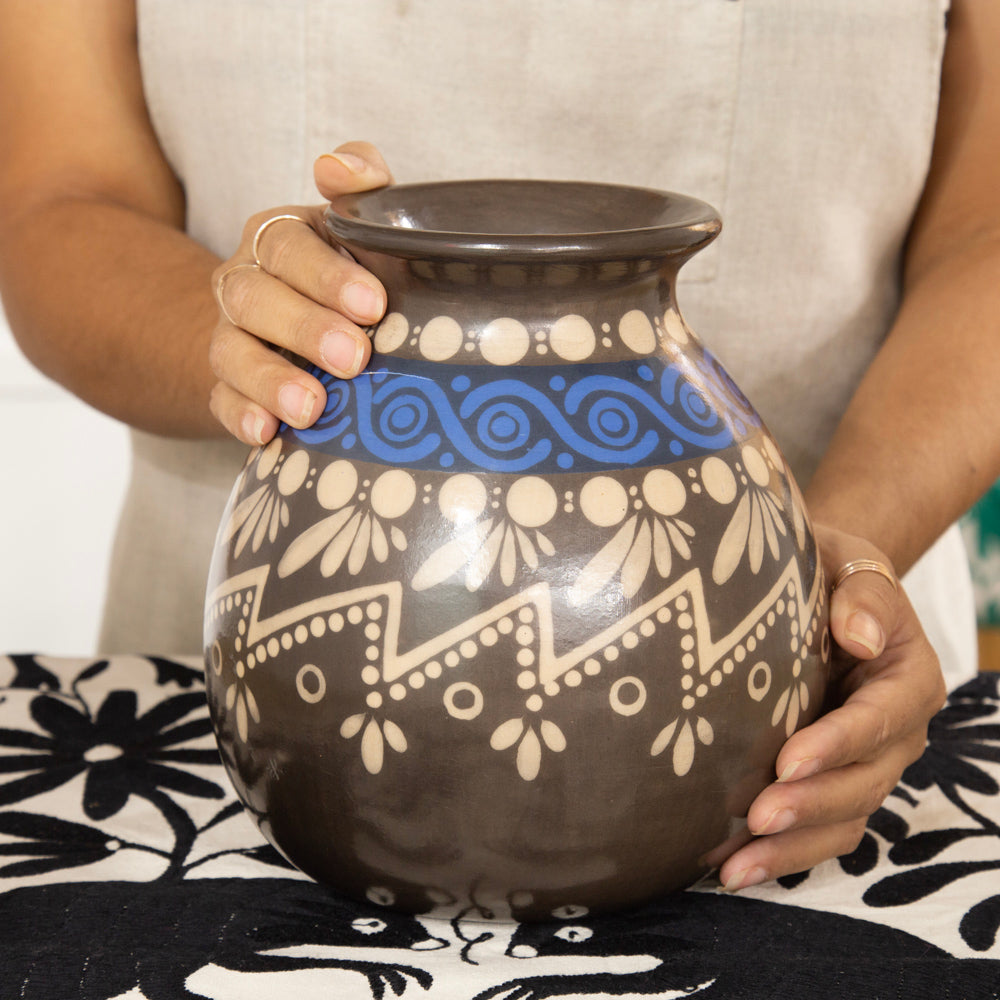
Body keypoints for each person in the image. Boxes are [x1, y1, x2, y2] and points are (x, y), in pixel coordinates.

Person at [1, 0, 997, 895]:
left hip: (809, 710)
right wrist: (252, 344)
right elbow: (57, 198)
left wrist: (826, 580)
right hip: (222, 715)